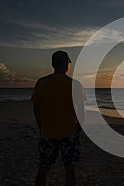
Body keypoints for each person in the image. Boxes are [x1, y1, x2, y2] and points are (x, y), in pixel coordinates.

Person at [31, 50, 85, 186]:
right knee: (70, 169)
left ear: (53, 64)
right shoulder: (75, 84)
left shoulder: (42, 83)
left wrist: (41, 127)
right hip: (69, 132)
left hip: (48, 132)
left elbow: (36, 109)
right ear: (67, 64)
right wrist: (79, 127)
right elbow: (81, 111)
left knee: (43, 167)